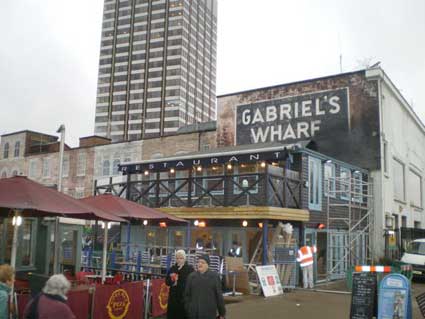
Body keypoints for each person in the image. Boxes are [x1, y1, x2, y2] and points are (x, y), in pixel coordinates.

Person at [185, 255, 225, 319]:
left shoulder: (214, 277)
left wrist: (222, 313)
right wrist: (188, 308)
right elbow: (186, 295)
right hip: (193, 313)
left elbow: (219, 296)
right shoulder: (191, 277)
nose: (200, 264)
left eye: (203, 262)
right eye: (198, 262)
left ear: (208, 265)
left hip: (209, 313)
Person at [165, 250, 194, 319]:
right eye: (177, 258)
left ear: (185, 258)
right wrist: (172, 281)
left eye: (181, 258)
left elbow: (193, 283)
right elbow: (167, 282)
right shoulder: (173, 268)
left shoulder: (190, 269)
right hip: (173, 298)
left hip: (184, 298)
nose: (179, 260)